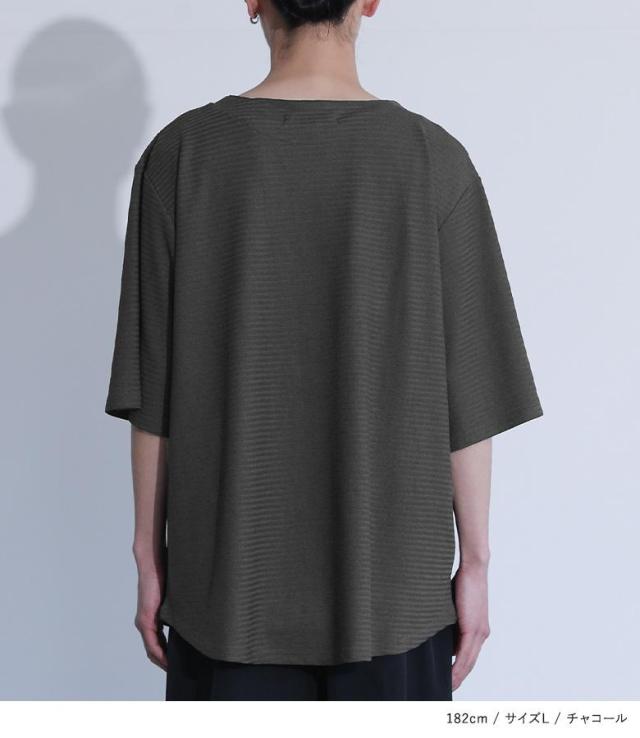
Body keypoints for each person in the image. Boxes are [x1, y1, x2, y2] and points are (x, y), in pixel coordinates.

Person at [104, 0, 543, 701]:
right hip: (396, 593)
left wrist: (147, 554)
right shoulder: (434, 160)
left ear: (252, 1)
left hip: (227, 590)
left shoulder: (181, 156)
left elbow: (151, 394)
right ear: (370, 1)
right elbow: (470, 398)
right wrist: (478, 565)